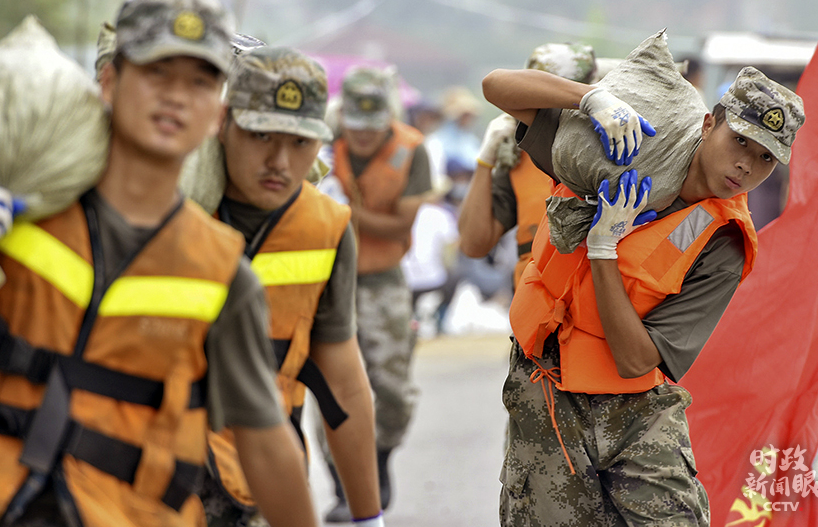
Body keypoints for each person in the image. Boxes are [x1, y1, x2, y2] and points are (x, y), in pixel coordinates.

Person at [0, 0, 319, 527]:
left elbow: (266, 444)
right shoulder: (21, 202)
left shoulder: (222, 276)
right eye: (157, 73)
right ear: (111, 83)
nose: (176, 97)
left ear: (218, 116)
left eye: (200, 82)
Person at [482, 63, 804, 525]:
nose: (746, 165)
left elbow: (637, 360)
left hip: (635, 410)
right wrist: (590, 98)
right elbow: (497, 86)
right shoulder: (628, 145)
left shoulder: (724, 243)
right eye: (740, 141)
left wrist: (603, 250)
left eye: (765, 158)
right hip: (548, 386)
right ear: (709, 123)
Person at [196, 45, 383, 527]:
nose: (279, 160)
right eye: (261, 135)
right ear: (223, 122)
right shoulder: (167, 204)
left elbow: (342, 381)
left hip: (259, 481)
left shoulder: (325, 228)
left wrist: (368, 518)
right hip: (149, 479)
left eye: (300, 142)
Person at [320, 65, 432, 522]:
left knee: (390, 385)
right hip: (330, 276)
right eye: (355, 126)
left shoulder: (411, 149)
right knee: (329, 386)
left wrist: (343, 211)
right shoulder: (326, 138)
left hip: (382, 276)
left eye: (372, 127)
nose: (363, 136)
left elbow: (401, 224)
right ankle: (342, 486)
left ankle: (380, 457)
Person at [459, 42, 597, 290]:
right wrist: (484, 162)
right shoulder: (516, 152)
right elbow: (473, 244)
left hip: (590, 286)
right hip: (537, 294)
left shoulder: (605, 143)